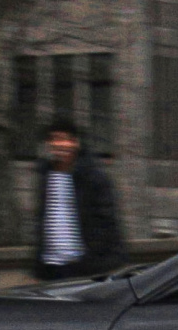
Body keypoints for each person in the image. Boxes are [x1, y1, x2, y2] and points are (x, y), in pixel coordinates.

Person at [33, 119, 125, 282]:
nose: (59, 144)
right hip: (51, 269)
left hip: (83, 269)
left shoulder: (93, 177)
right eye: (54, 139)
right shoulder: (45, 177)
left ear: (75, 143)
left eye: (64, 139)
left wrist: (96, 262)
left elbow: (106, 222)